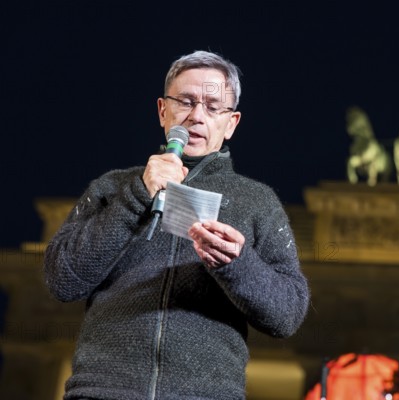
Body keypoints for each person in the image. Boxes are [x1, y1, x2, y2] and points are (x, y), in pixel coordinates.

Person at [43, 50, 310, 400]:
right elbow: (62, 279)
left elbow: (287, 314)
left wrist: (235, 264)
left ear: (231, 123)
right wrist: (137, 194)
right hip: (101, 392)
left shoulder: (257, 201)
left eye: (213, 107)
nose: (197, 116)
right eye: (185, 101)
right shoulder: (112, 187)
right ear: (162, 111)